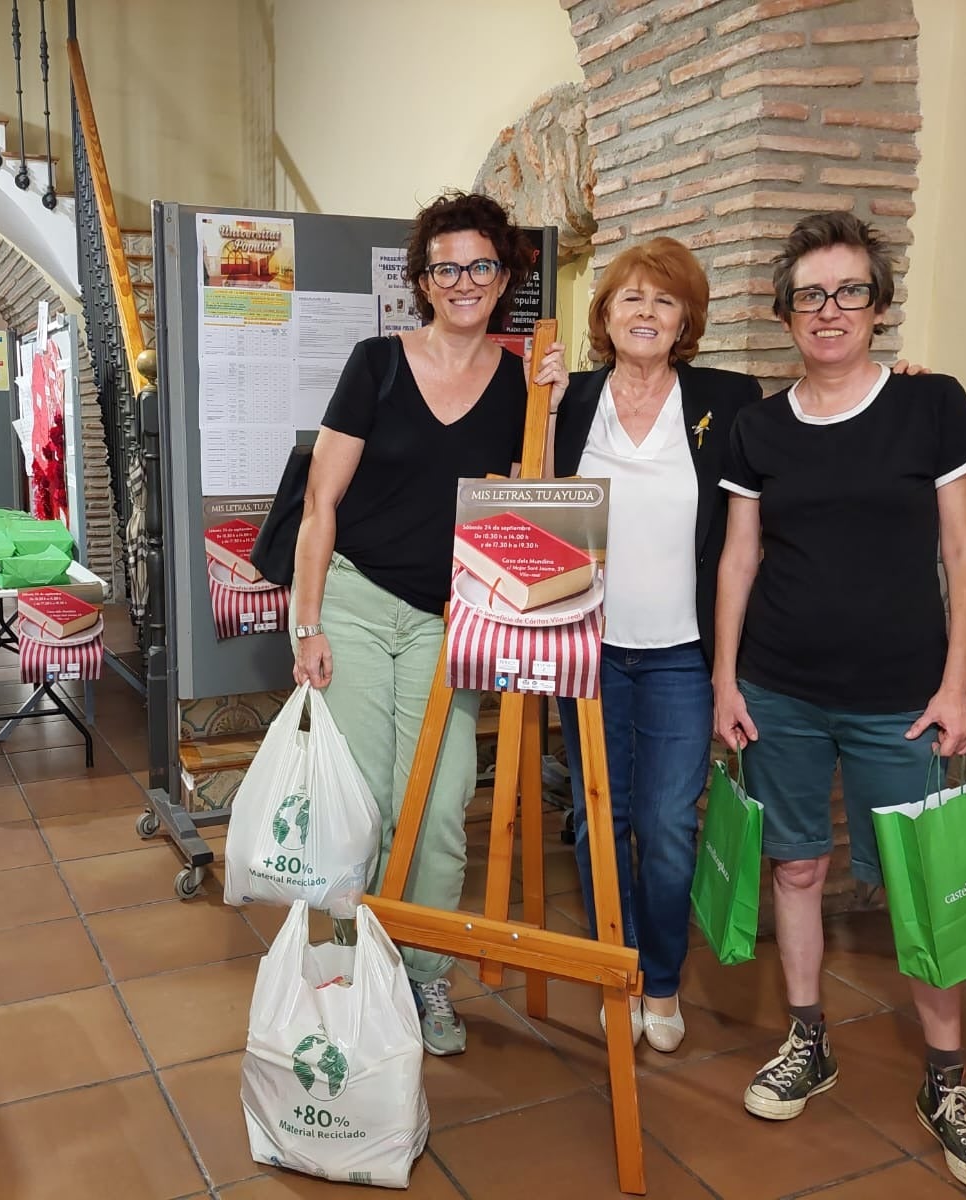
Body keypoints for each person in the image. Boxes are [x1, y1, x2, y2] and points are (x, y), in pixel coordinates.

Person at [713, 212, 966, 1195]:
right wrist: (724, 681)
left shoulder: (932, 408)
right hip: (778, 691)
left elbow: (961, 551)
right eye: (809, 294)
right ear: (786, 314)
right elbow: (740, 557)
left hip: (902, 700)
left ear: (878, 306)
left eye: (847, 290)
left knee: (921, 885)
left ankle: (945, 1085)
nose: (828, 309)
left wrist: (955, 682)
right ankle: (809, 1042)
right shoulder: (756, 428)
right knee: (795, 871)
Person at [290, 190, 567, 1057]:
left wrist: (548, 413)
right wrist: (307, 624)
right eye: (445, 267)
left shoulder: (526, 379)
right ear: (422, 279)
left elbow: (538, 508)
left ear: (505, 275)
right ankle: (339, 971)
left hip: (456, 620)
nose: (463, 280)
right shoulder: (376, 364)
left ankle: (422, 976)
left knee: (443, 803)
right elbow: (319, 503)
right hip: (359, 604)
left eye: (480, 265)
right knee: (360, 802)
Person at [549, 239, 761, 1052]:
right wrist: (533, 397)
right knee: (599, 817)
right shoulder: (568, 404)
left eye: (664, 301)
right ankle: (620, 965)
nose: (645, 312)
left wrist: (906, 390)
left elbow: (810, 428)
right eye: (629, 297)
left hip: (680, 653)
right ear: (603, 315)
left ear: (686, 321)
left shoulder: (730, 400)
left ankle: (662, 980)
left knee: (668, 823)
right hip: (587, 647)